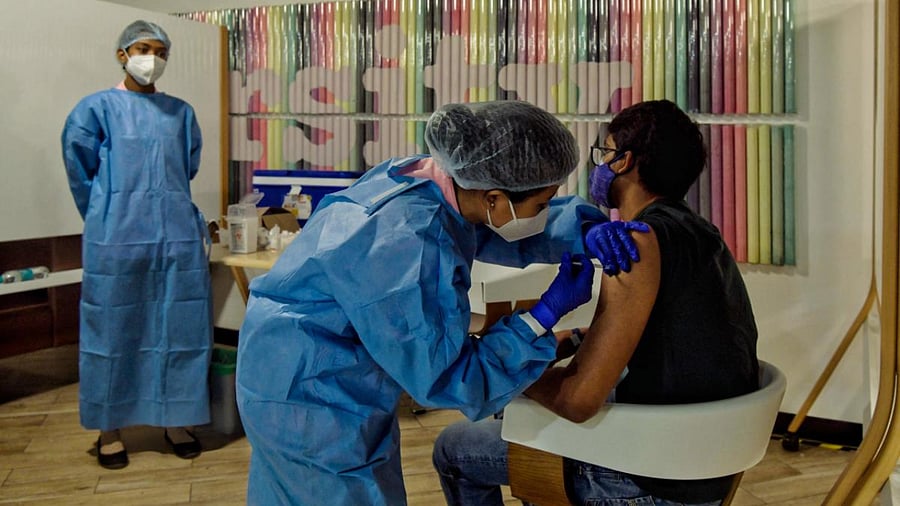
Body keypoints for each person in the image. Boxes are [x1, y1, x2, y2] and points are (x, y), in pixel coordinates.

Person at [235, 100, 646, 505]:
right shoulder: (407, 246)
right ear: (495, 197)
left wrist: (583, 229)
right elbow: (449, 378)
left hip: (298, 366)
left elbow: (485, 229)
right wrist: (542, 317)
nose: (546, 210)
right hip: (310, 395)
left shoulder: (433, 184)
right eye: (542, 204)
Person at [432, 99, 760, 505]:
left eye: (604, 152)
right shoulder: (704, 234)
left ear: (623, 161)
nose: (598, 166)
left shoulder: (636, 243)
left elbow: (578, 402)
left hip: (652, 481)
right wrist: (573, 339)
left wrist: (509, 375)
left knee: (453, 448)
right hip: (712, 466)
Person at [61, 20, 210, 470]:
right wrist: (106, 215)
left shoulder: (181, 113)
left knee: (179, 328)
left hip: (176, 240)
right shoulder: (96, 109)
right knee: (112, 329)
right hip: (116, 240)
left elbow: (188, 167)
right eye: (144, 48)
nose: (153, 58)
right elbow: (78, 165)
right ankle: (110, 429)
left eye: (161, 51)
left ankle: (177, 420)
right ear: (123, 54)